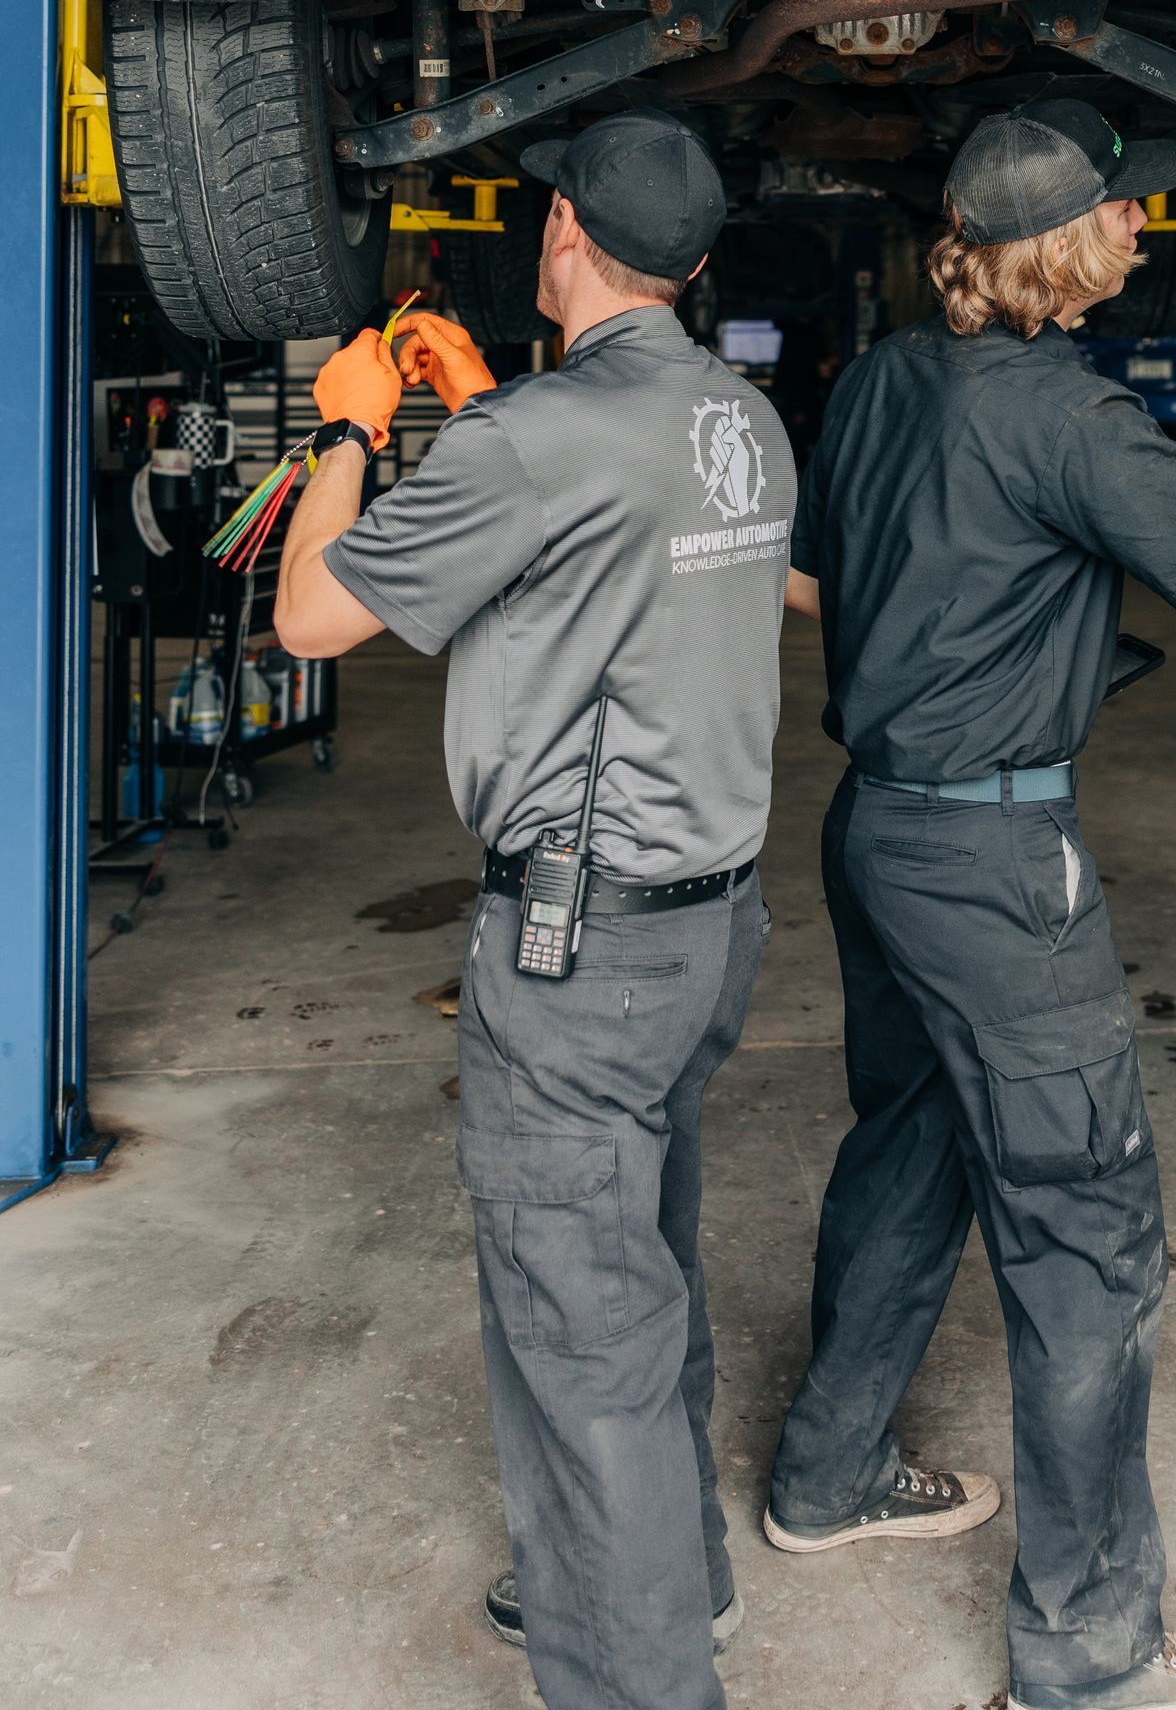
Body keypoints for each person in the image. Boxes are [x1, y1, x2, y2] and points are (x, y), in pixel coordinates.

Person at [767, 97, 1176, 1710]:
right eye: (1125, 212)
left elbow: (811, 574)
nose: (1144, 229)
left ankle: (823, 1478)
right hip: (995, 870)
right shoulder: (1068, 420)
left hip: (876, 828)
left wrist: (959, 634)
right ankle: (1092, 1652)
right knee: (1087, 1236)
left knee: (910, 1146)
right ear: (1062, 249)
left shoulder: (888, 376)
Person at [273, 109, 797, 1710]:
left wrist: (356, 428)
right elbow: (600, 515)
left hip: (581, 950)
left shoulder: (530, 446)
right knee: (643, 1269)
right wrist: (484, 406)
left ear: (559, 232)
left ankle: (640, 1679)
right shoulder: (743, 421)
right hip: (706, 931)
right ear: (697, 266)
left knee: (580, 1336)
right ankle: (669, 1581)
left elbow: (309, 615)